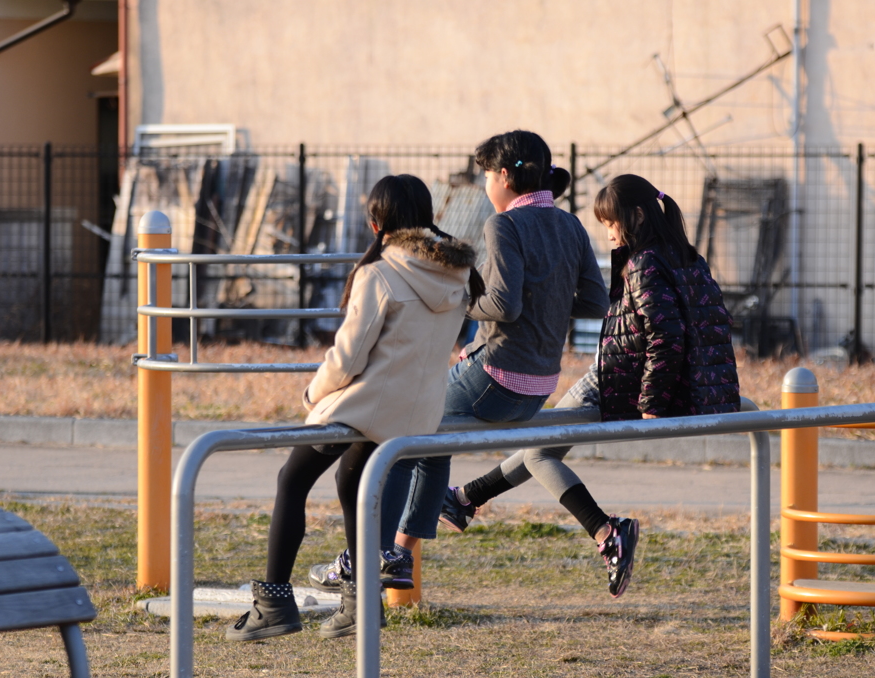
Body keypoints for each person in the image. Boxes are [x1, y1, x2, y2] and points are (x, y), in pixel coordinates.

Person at [310, 130, 609, 592]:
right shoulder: (569, 224)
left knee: (405, 430)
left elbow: (504, 306)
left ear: (506, 176)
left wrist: (462, 304)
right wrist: (548, 303)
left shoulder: (503, 224)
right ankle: (398, 555)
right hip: (539, 384)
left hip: (497, 373)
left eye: (487, 174)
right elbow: (593, 300)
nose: (486, 183)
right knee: (430, 443)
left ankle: (365, 557)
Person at [440, 173, 741, 598]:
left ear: (636, 217)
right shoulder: (687, 256)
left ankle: (605, 531)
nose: (609, 234)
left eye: (611, 223)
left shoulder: (643, 263)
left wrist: (652, 398)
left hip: (620, 376)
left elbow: (665, 334)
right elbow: (710, 327)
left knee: (542, 448)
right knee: (543, 448)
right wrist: (717, 388)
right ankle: (467, 498)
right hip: (667, 379)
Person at [226, 174, 483, 642]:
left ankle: (273, 604)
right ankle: (360, 603)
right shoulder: (457, 273)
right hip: (416, 415)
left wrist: (313, 395)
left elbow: (347, 358)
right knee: (351, 482)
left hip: (362, 409)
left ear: (376, 220)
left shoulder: (379, 274)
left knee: (292, 478)